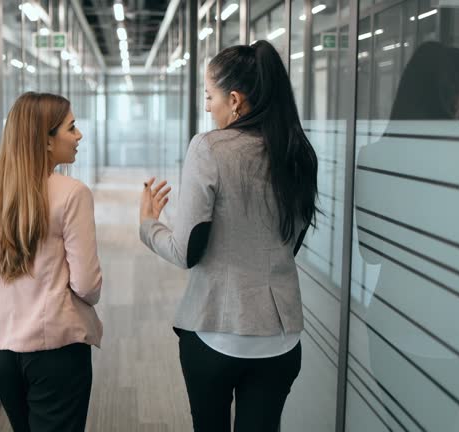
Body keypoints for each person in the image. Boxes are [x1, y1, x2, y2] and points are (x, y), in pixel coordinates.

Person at [138, 40, 319, 431]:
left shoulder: (210, 148)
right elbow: (292, 241)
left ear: (235, 100)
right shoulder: (299, 152)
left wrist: (149, 224)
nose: (206, 106)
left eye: (209, 95)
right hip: (281, 339)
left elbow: (187, 251)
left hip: (218, 333)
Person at [355, 41, 459, 430]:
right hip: (455, 333)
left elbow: (371, 254)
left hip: (391, 327)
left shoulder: (375, 156)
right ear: (458, 99)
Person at [0, 92, 102, 432]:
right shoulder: (72, 194)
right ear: (45, 139)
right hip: (54, 350)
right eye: (71, 128)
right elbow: (87, 285)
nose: (79, 135)